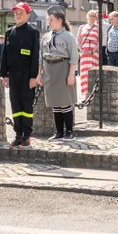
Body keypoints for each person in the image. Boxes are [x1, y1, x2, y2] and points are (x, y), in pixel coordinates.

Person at [1, 2, 40, 148]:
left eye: (21, 13)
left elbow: (35, 55)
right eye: (16, 13)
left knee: (26, 104)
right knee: (15, 104)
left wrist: (33, 76)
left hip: (27, 74)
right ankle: (18, 134)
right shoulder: (9, 32)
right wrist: (4, 74)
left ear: (28, 15)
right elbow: (5, 54)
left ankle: (27, 135)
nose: (17, 15)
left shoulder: (32, 32)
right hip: (13, 74)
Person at [38, 8, 78, 141]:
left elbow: (74, 57)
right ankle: (59, 132)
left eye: (51, 20)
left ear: (59, 21)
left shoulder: (68, 36)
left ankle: (69, 131)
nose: (49, 22)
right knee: (54, 102)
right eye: (48, 20)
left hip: (62, 67)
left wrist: (71, 74)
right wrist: (39, 74)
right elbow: (40, 57)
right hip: (49, 68)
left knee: (64, 101)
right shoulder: (46, 36)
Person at [76, 11, 99, 99]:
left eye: (94, 16)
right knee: (84, 74)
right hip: (84, 54)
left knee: (92, 73)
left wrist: (93, 50)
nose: (92, 17)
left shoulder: (97, 28)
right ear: (87, 16)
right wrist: (81, 50)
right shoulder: (82, 27)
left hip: (93, 55)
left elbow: (99, 41)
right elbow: (78, 40)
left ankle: (92, 94)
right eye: (91, 15)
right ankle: (85, 96)